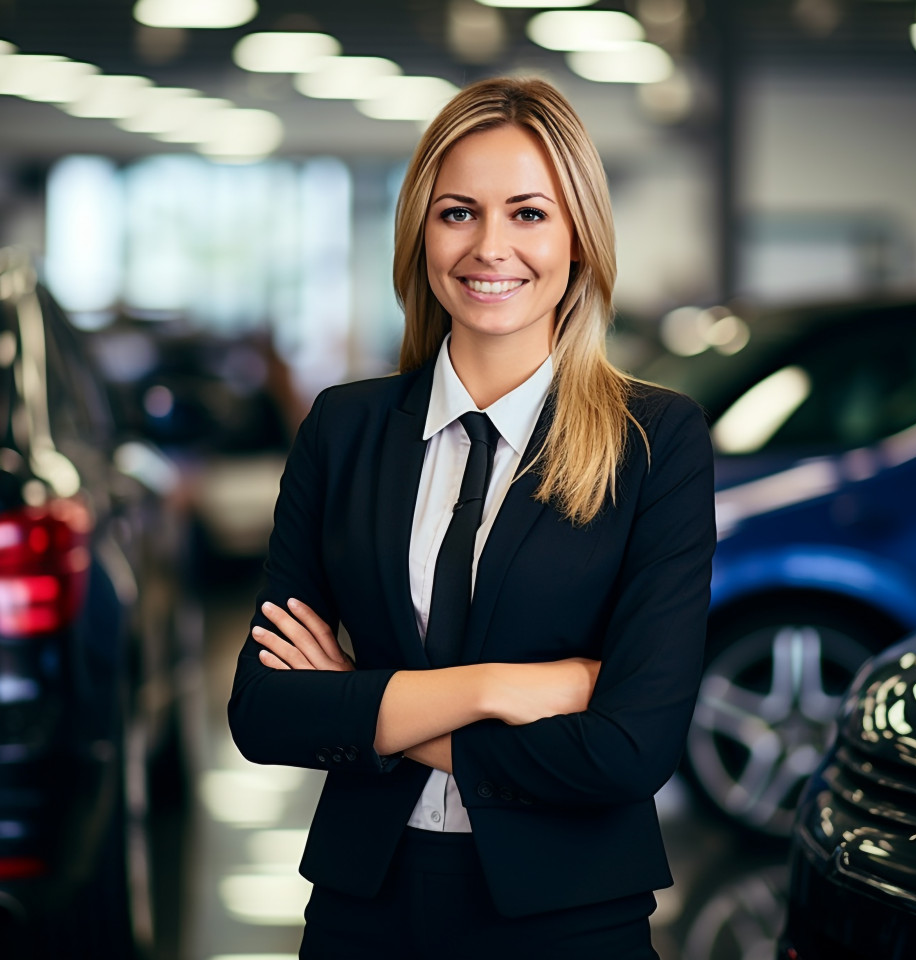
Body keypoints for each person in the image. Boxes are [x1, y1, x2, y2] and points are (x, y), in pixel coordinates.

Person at [228, 76, 716, 959]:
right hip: (362, 910)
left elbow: (632, 747)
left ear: (580, 238)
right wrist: (504, 688)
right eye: (459, 212)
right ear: (421, 231)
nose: (491, 247)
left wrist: (367, 703)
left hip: (570, 915)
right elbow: (265, 711)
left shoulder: (656, 440)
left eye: (529, 213)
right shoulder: (346, 428)